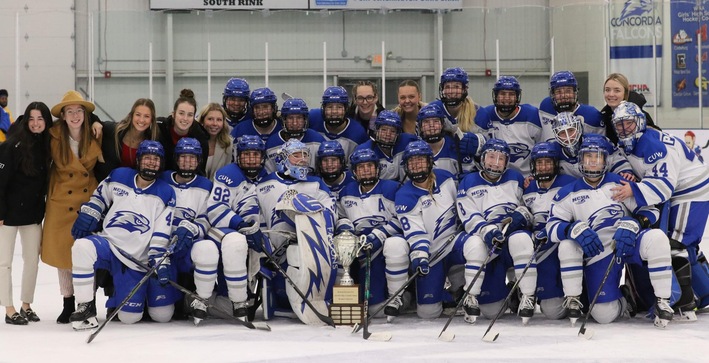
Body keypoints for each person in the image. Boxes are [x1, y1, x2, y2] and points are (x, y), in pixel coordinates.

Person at [547, 135, 675, 327]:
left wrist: (635, 223)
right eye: (588, 157)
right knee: (603, 315)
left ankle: (663, 301)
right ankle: (621, 299)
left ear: (606, 161)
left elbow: (650, 210)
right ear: (580, 160)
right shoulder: (568, 192)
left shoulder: (620, 183)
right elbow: (551, 227)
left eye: (597, 157)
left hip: (628, 240)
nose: (592, 162)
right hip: (598, 250)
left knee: (657, 238)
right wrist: (571, 228)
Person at [610, 101, 709, 314]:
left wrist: (633, 191)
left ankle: (685, 301)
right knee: (681, 244)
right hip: (680, 191)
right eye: (620, 125)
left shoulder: (653, 145)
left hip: (691, 190)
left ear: (640, 123)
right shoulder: (631, 143)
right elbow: (624, 161)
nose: (625, 129)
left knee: (676, 243)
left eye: (629, 123)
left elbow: (663, 187)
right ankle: (704, 291)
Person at [69, 141, 176, 328]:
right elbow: (100, 197)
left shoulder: (166, 192)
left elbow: (162, 231)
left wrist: (158, 259)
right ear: (139, 160)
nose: (151, 163)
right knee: (82, 247)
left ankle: (144, 295)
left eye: (156, 159)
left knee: (144, 317)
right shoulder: (119, 175)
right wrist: (90, 212)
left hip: (136, 258)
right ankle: (85, 306)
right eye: (147, 158)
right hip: (109, 244)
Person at [456, 138, 537, 325]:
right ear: (483, 159)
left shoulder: (516, 178)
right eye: (492, 157)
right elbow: (469, 216)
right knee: (493, 311)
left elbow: (530, 204)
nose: (496, 162)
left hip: (509, 238)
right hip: (487, 241)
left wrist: (522, 214)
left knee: (522, 239)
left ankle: (527, 296)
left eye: (501, 158)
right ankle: (472, 296)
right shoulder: (468, 182)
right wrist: (488, 231)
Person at [256, 139, 337, 325]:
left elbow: (331, 211)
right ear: (284, 158)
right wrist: (263, 244)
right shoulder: (264, 184)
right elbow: (257, 216)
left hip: (310, 247)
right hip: (276, 253)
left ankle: (318, 300)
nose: (302, 160)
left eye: (305, 155)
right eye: (296, 155)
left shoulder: (316, 183)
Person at [41, 90, 103, 324]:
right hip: (61, 201)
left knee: (88, 253)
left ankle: (88, 302)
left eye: (79, 111)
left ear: (85, 116)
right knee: (63, 255)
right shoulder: (52, 136)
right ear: (63, 116)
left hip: (86, 201)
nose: (75, 115)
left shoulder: (96, 133)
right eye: (70, 111)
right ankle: (68, 303)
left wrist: (97, 122)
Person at [395, 140, 472, 319]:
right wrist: (421, 256)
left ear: (430, 161)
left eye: (420, 160)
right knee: (428, 313)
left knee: (475, 245)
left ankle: (470, 294)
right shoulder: (404, 195)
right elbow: (416, 233)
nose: (416, 165)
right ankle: (418, 294)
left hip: (454, 245)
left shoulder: (446, 178)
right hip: (432, 253)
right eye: (411, 161)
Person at [336, 148, 408, 320]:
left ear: (377, 168)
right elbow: (340, 216)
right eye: (361, 167)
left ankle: (400, 296)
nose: (366, 170)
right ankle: (343, 304)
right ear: (354, 171)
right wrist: (347, 232)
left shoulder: (392, 188)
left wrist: (379, 235)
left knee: (377, 310)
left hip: (382, 245)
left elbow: (403, 218)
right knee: (338, 254)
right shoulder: (347, 191)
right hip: (357, 244)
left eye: (370, 166)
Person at [0, 102, 51, 325]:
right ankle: (9, 309)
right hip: (7, 214)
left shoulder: (48, 144)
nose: (36, 123)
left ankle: (26, 305)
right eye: (31, 118)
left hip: (32, 214)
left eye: (40, 118)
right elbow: (1, 182)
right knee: (4, 262)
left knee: (32, 260)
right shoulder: (12, 145)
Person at [158, 138, 216, 325]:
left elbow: (207, 218)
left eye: (192, 158)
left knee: (207, 248)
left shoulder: (206, 185)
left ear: (199, 161)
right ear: (176, 159)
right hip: (161, 246)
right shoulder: (163, 179)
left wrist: (192, 229)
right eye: (183, 157)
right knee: (162, 315)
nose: (188, 162)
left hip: (188, 246)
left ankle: (201, 300)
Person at [205, 136, 263, 320]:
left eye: (255, 154)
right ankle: (215, 297)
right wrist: (240, 224)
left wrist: (254, 227)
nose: (252, 159)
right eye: (247, 155)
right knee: (234, 245)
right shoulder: (228, 174)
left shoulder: (266, 177)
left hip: (247, 232)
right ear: (238, 156)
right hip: (220, 231)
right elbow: (215, 209)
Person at [522, 142, 577, 322]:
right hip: (540, 248)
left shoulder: (569, 184)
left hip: (562, 243)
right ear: (533, 166)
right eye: (539, 163)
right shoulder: (527, 187)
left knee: (554, 311)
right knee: (552, 311)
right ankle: (520, 291)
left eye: (548, 162)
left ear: (556, 164)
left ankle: (578, 295)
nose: (544, 167)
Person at [480, 76, 542, 176]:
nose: (507, 98)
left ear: (517, 97)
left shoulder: (532, 116)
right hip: (495, 177)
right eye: (502, 94)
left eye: (511, 94)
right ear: (495, 96)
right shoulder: (486, 115)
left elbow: (541, 148)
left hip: (527, 178)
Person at [551, 112, 634, 180]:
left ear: (579, 128)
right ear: (556, 135)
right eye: (562, 132)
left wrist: (625, 172)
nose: (568, 136)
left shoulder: (598, 141)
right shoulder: (553, 150)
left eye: (571, 130)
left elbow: (616, 160)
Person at [96, 98, 159, 182]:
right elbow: (90, 119)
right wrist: (95, 122)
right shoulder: (113, 131)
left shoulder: (153, 142)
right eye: (138, 115)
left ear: (152, 120)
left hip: (134, 190)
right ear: (131, 115)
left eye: (146, 116)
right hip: (107, 186)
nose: (141, 120)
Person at [537, 70, 604, 142]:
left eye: (568, 91)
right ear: (552, 95)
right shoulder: (546, 107)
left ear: (575, 92)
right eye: (558, 92)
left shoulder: (592, 116)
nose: (563, 96)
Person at [417, 103, 479, 178]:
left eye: (436, 121)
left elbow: (472, 176)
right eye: (426, 122)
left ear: (443, 124)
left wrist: (467, 179)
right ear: (420, 127)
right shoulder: (415, 150)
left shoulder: (457, 146)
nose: (431, 125)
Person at [157, 89, 210, 176]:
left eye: (190, 115)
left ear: (194, 117)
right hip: (160, 179)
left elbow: (200, 171)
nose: (185, 118)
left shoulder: (201, 137)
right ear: (173, 114)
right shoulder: (159, 127)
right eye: (181, 113)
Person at [354, 110, 418, 182]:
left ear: (398, 133)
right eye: (384, 130)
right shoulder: (363, 150)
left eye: (393, 131)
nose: (388, 134)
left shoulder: (408, 141)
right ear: (376, 130)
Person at [264, 98, 324, 173]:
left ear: (305, 119)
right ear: (284, 120)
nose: (295, 123)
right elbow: (270, 175)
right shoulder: (272, 144)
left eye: (299, 118)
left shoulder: (317, 140)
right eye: (290, 118)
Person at [600, 73, 659, 146]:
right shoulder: (604, 117)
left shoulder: (638, 116)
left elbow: (655, 138)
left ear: (625, 93)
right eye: (607, 90)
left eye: (617, 90)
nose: (611, 94)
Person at [309, 86, 368, 158]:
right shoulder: (313, 118)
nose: (334, 111)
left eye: (339, 107)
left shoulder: (358, 132)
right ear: (323, 108)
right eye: (330, 107)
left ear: (346, 109)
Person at [428, 67, 488, 135]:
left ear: (465, 89)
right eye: (447, 87)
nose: (451, 91)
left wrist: (478, 141)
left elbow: (488, 140)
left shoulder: (479, 113)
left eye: (456, 87)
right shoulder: (434, 108)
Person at [197, 103, 233, 180]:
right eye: (210, 119)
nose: (215, 124)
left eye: (219, 120)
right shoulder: (193, 141)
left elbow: (227, 173)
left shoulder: (228, 144)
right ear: (202, 121)